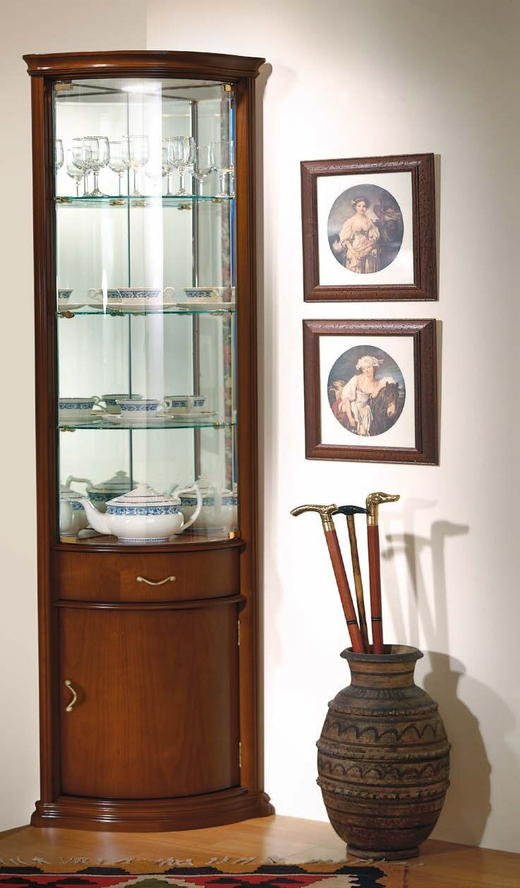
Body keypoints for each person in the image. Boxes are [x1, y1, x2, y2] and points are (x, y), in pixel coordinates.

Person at [338, 355, 395, 436]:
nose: (366, 370)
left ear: (374, 368)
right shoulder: (356, 379)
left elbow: (388, 385)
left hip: (365, 410)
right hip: (351, 407)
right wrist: (351, 419)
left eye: (368, 367)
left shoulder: (377, 383)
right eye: (363, 368)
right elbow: (346, 399)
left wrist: (379, 388)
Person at [334, 196, 380, 274]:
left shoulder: (369, 221)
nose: (362, 208)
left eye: (364, 206)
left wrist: (368, 249)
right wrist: (355, 253)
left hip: (368, 248)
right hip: (354, 249)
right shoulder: (350, 221)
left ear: (366, 207)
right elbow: (346, 240)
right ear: (355, 207)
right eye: (359, 206)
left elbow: (374, 236)